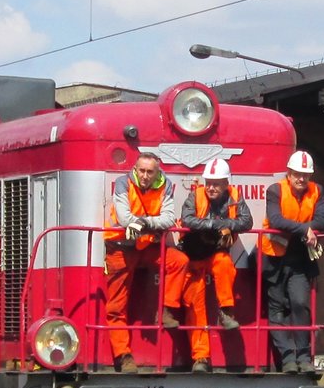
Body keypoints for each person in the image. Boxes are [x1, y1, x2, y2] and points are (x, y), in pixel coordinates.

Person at [104, 152, 190, 373]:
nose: (144, 175)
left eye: (149, 171)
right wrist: (150, 223)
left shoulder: (167, 186)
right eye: (141, 170)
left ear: (157, 172)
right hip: (120, 247)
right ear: (135, 169)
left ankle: (167, 311)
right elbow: (123, 217)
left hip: (148, 245)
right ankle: (123, 357)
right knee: (116, 307)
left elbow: (169, 217)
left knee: (179, 260)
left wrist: (141, 222)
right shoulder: (123, 183)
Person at [179, 158, 252, 373]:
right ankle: (200, 358)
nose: (211, 187)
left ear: (226, 184)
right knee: (195, 306)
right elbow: (187, 220)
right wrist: (218, 225)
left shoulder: (235, 197)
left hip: (216, 254)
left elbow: (246, 222)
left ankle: (226, 312)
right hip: (193, 257)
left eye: (217, 183)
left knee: (224, 265)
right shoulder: (195, 195)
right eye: (209, 182)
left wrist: (227, 225)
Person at [260, 150, 324, 374]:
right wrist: (305, 229)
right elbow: (277, 219)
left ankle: (304, 357)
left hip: (299, 261)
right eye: (297, 174)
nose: (301, 179)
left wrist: (308, 228)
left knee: (300, 304)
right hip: (274, 260)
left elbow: (322, 220)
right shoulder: (275, 190)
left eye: (306, 175)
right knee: (276, 310)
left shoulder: (317, 191)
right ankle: (288, 359)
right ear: (289, 173)